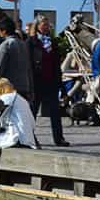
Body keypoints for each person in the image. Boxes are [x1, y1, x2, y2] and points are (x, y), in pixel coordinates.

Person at [31, 16, 68, 146]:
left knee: (55, 112)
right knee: (33, 111)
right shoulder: (32, 42)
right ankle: (29, 136)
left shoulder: (52, 42)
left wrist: (61, 85)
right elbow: (29, 63)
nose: (46, 27)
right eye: (43, 25)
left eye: (47, 25)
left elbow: (56, 64)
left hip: (51, 81)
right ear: (37, 26)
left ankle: (59, 138)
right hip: (37, 81)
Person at [0, 16, 36, 103]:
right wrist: (31, 89)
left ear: (3, 31)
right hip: (24, 87)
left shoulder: (5, 44)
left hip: (9, 88)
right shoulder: (24, 44)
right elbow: (29, 68)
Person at [0, 76, 38, 150]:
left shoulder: (5, 98)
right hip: (28, 139)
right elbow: (33, 123)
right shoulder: (22, 100)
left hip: (15, 138)